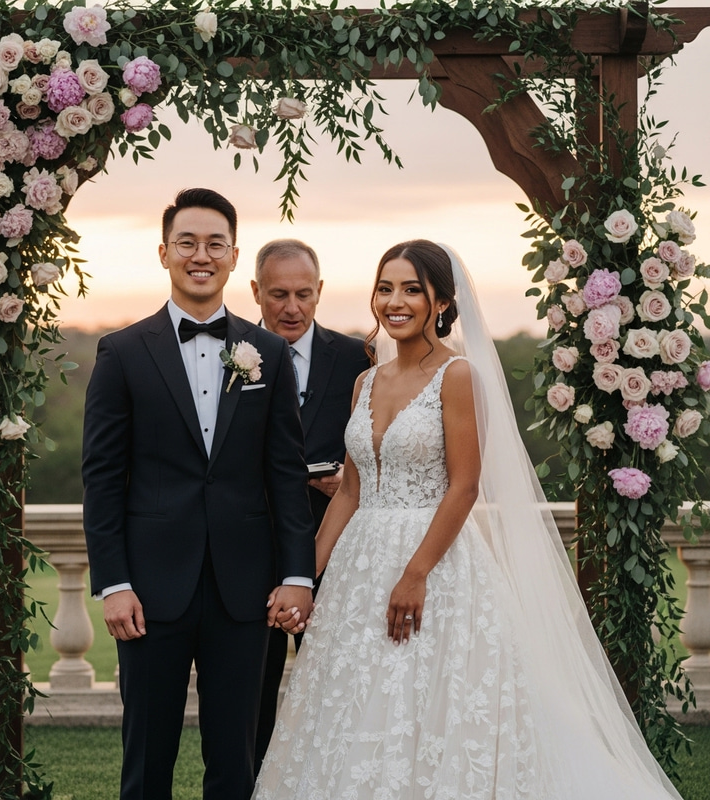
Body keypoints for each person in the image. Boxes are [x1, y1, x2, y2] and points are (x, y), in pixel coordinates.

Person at [253, 240, 682, 799]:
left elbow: (464, 486)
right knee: (356, 699)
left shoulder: (457, 376)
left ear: (441, 301)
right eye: (386, 288)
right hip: (360, 566)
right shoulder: (365, 382)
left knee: (430, 699)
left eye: (411, 289)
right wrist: (302, 577)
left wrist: (415, 574)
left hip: (434, 563)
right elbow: (350, 493)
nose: (395, 301)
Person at [82, 188, 316, 800]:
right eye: (187, 242)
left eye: (215, 243)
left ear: (235, 256)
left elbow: (285, 475)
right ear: (164, 253)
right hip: (149, 592)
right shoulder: (123, 352)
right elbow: (102, 479)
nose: (201, 255)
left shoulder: (266, 352)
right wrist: (113, 583)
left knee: (237, 762)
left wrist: (298, 573)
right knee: (147, 762)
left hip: (246, 591)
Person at [250, 239, 371, 768]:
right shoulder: (233, 351)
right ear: (256, 291)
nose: (292, 308)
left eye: (303, 294)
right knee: (251, 694)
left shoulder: (354, 358)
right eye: (278, 295)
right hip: (251, 547)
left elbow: (384, 443)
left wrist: (352, 476)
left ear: (320, 292)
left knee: (339, 686)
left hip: (338, 549)